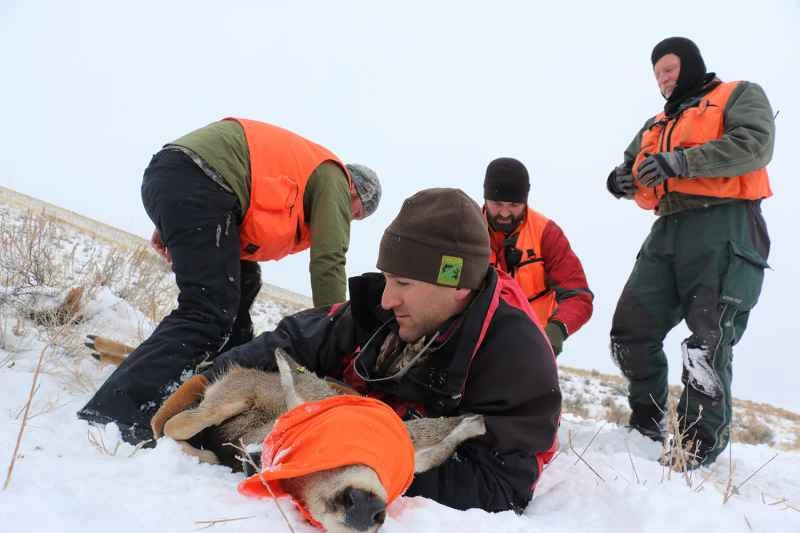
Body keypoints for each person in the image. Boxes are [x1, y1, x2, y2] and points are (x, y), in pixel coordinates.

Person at [151, 188, 561, 513]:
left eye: (403, 283)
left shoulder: (517, 358)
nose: (387, 299)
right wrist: (209, 379)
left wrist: (359, 455)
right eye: (387, 280)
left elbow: (503, 487)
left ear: (456, 283)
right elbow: (294, 338)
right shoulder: (376, 313)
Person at [77, 118, 381, 443]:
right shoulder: (336, 179)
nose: (349, 219)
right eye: (356, 213)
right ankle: (112, 414)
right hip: (204, 181)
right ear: (356, 192)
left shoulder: (307, 176)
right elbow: (329, 259)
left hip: (183, 180)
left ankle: (211, 391)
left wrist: (174, 220)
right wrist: (330, 331)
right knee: (207, 312)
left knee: (241, 293)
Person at [606, 37, 774, 468]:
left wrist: (683, 163)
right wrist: (620, 182)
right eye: (658, 72)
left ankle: (696, 446)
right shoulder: (655, 123)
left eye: (670, 68)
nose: (663, 78)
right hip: (667, 228)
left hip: (725, 224)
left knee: (707, 339)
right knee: (630, 332)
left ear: (692, 64)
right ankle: (648, 423)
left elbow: (755, 144)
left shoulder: (737, 94)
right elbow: (628, 166)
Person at [482, 157, 593, 356]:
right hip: (474, 341)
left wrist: (556, 331)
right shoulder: (464, 230)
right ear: (485, 198)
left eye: (514, 205)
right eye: (497, 204)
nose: (505, 213)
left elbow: (578, 296)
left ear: (525, 200)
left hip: (529, 346)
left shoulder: (547, 234)